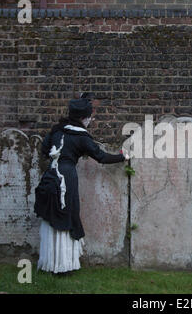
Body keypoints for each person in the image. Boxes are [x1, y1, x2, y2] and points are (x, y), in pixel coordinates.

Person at [34, 94, 129, 275]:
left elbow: (45, 150)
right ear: (83, 117)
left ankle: (50, 262)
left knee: (52, 216)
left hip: (50, 175)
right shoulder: (81, 137)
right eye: (89, 117)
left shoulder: (57, 130)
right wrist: (122, 156)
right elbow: (100, 156)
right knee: (66, 216)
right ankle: (63, 266)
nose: (90, 120)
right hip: (67, 177)